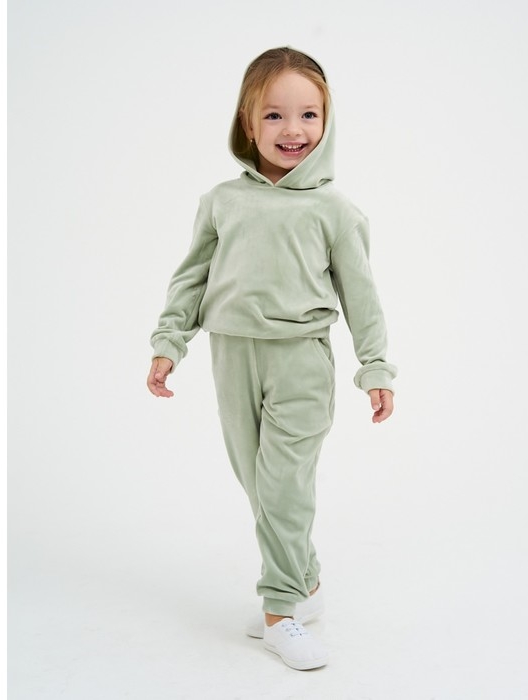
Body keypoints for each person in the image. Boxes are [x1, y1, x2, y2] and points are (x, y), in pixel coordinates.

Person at [147, 46, 396, 671]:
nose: (293, 130)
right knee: (259, 485)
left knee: (284, 487)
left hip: (300, 363)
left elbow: (361, 296)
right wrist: (169, 341)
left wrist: (375, 367)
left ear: (327, 121)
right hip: (231, 356)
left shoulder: (336, 211)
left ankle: (281, 610)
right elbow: (192, 278)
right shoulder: (222, 201)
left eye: (309, 115)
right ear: (248, 121)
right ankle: (306, 584)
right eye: (275, 115)